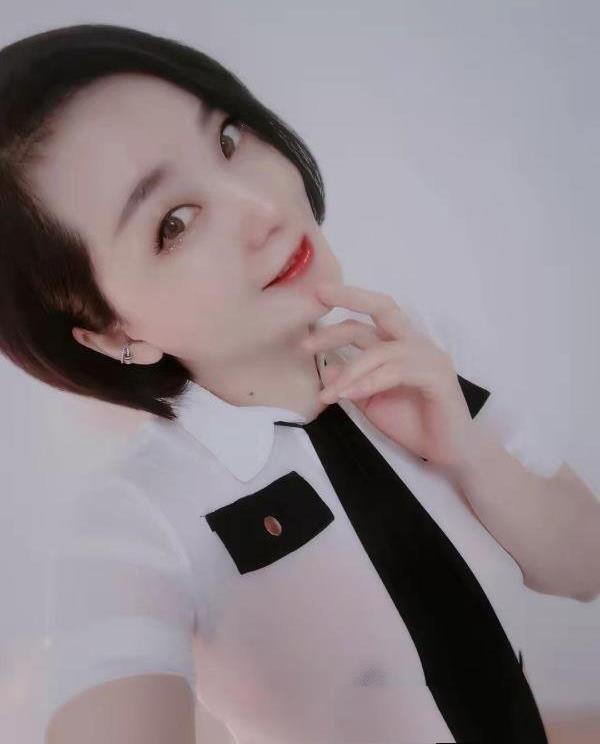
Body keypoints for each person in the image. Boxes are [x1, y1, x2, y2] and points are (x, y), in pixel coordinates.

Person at [1, 23, 597, 744]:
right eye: (175, 223)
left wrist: (469, 453)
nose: (263, 209)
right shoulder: (135, 522)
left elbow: (585, 566)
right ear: (107, 331)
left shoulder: (422, 350)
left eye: (229, 139)